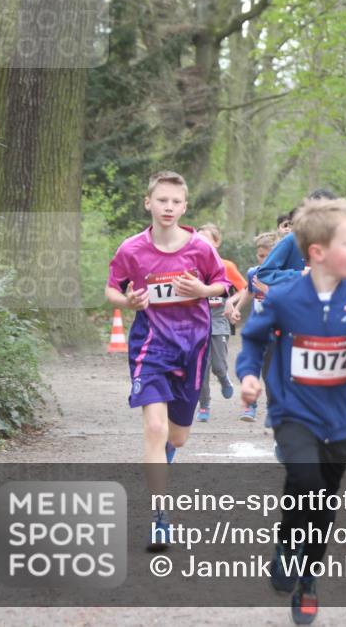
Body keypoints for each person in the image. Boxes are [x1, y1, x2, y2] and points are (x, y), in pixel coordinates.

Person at [236, 197, 346, 625]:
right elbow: (252, 339)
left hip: (340, 419)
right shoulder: (287, 297)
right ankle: (287, 545)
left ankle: (308, 578)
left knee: (324, 503)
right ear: (318, 252)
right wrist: (249, 375)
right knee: (303, 477)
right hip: (293, 413)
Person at [104, 171, 230, 551]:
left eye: (175, 201)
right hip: (151, 347)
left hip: (192, 347)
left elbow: (223, 285)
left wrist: (202, 289)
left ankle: (163, 458)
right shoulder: (132, 249)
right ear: (149, 203)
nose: (168, 207)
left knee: (177, 436)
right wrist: (127, 301)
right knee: (155, 428)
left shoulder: (200, 248)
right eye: (162, 200)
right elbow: (112, 289)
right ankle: (160, 516)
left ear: (185, 206)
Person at [195, 223, 247, 423]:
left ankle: (224, 377)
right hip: (197, 321)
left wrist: (230, 302)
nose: (201, 244)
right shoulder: (191, 266)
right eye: (198, 240)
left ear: (216, 243)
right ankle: (204, 405)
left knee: (217, 364)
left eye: (206, 240)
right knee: (201, 367)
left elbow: (243, 289)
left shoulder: (226, 266)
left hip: (218, 319)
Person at [225, 231, 278, 422]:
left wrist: (268, 291)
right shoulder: (254, 272)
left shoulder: (284, 276)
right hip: (257, 329)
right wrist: (237, 309)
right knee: (251, 367)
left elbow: (289, 299)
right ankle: (250, 406)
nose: (264, 260)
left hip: (278, 331)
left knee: (271, 372)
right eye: (260, 255)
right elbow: (248, 292)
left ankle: (274, 409)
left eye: (268, 255)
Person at [257, 189, 338, 287]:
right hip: (295, 300)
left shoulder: (337, 242)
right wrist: (299, 274)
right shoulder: (292, 240)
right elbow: (265, 273)